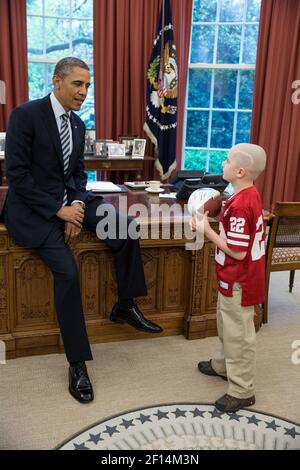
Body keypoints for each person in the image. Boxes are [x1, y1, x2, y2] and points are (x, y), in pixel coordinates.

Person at [4, 57, 162, 404]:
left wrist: (76, 206)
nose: (84, 92)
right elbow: (16, 176)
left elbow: (77, 175)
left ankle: (125, 305)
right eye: (78, 84)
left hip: (70, 202)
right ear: (57, 81)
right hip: (33, 211)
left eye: (88, 85)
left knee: (124, 226)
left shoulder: (78, 125)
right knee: (68, 273)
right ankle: (77, 365)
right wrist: (58, 211)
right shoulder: (25, 115)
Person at [190, 143, 267, 413]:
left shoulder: (242, 203)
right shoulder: (244, 195)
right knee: (226, 325)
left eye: (227, 160)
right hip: (233, 278)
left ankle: (242, 390)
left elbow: (236, 249)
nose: (223, 163)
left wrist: (205, 230)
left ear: (240, 170)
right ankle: (223, 365)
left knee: (239, 334)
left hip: (240, 280)